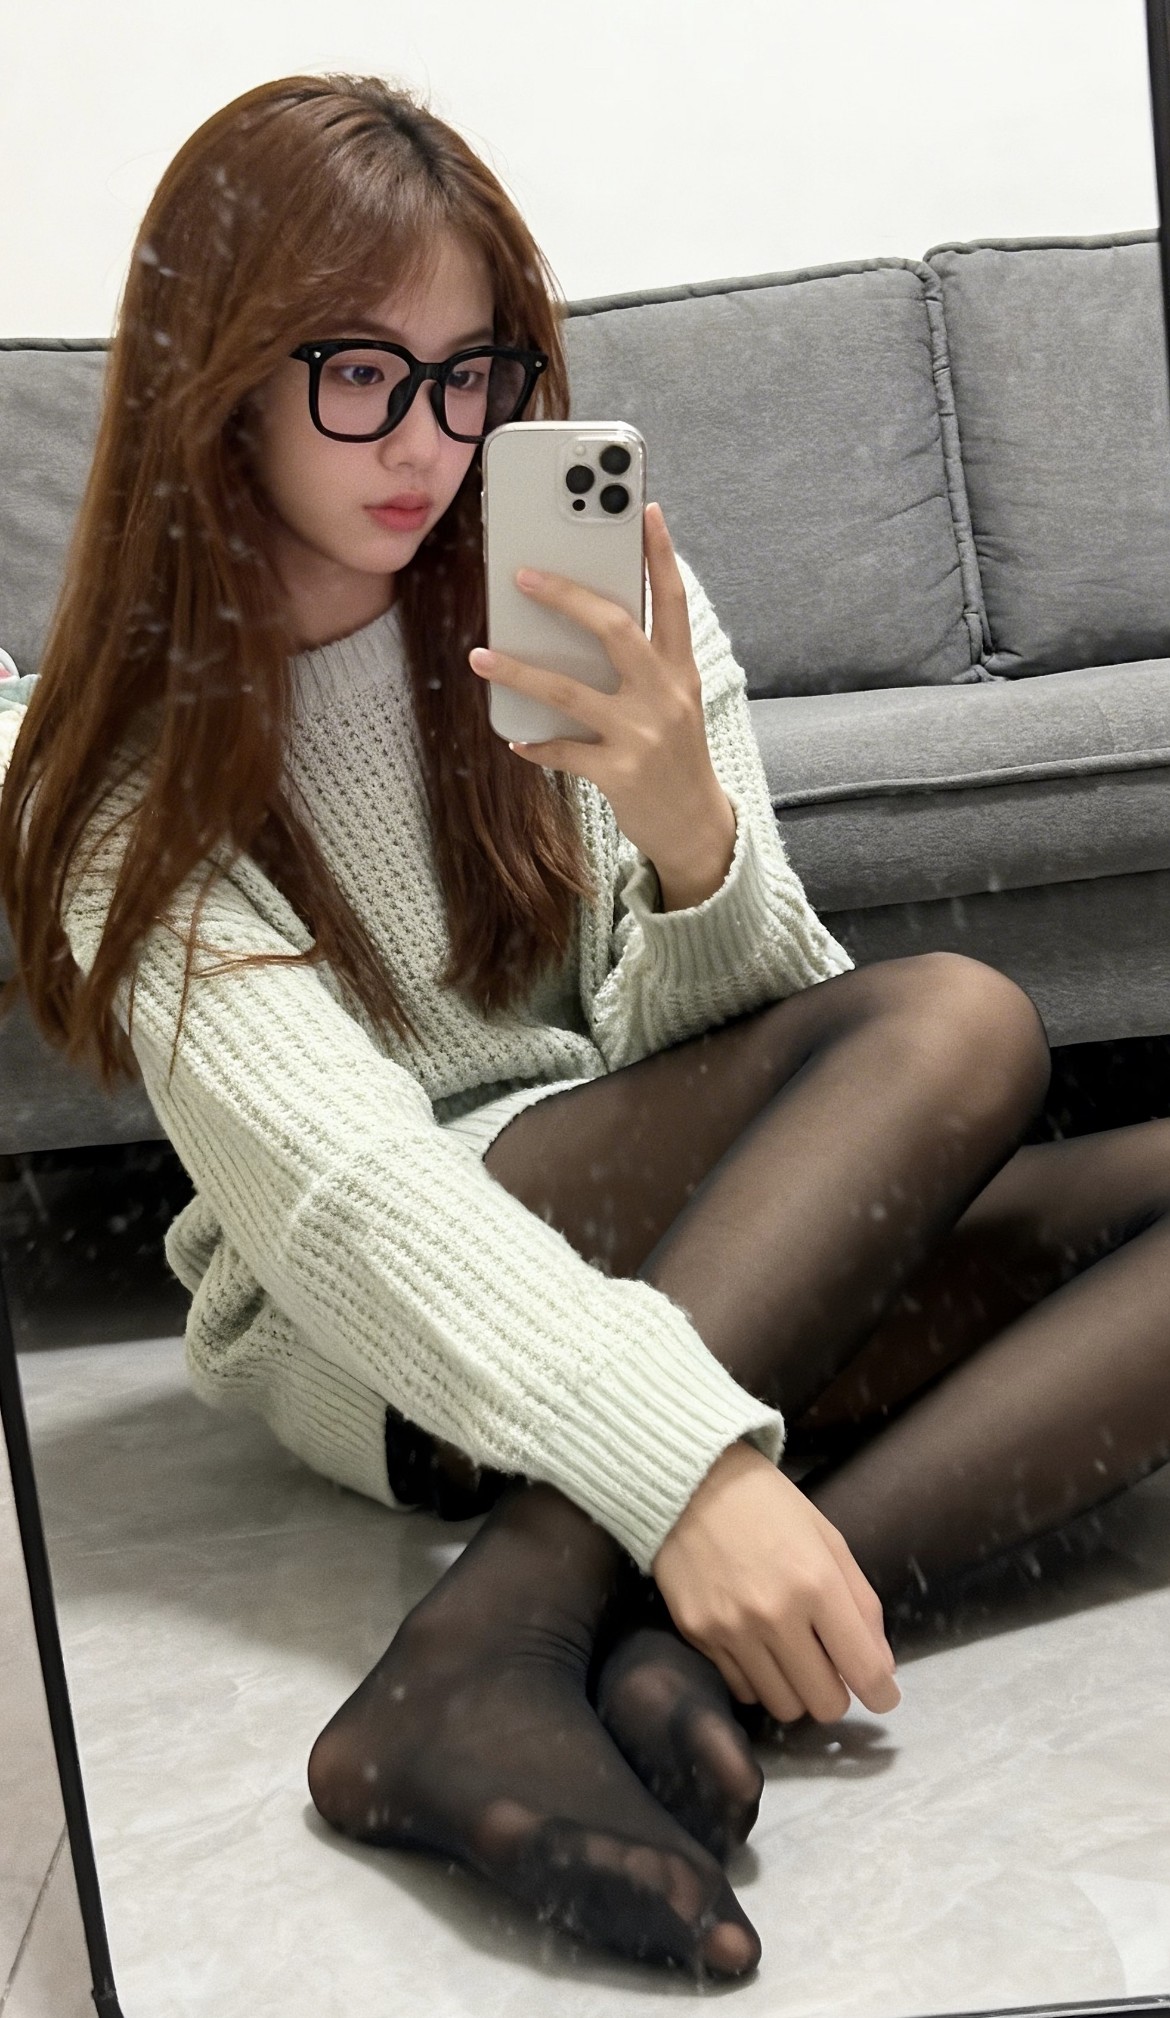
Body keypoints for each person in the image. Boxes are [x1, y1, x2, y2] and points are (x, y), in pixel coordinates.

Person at [4, 71, 1170, 1985]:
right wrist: (687, 1471)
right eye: (359, 372)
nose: (430, 437)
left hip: (681, 1233)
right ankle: (518, 1615)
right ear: (214, 374)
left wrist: (690, 837)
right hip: (384, 1319)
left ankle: (646, 1644)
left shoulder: (588, 598)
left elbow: (791, 1078)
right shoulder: (110, 760)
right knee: (961, 1021)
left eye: (472, 374)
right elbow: (339, 1186)